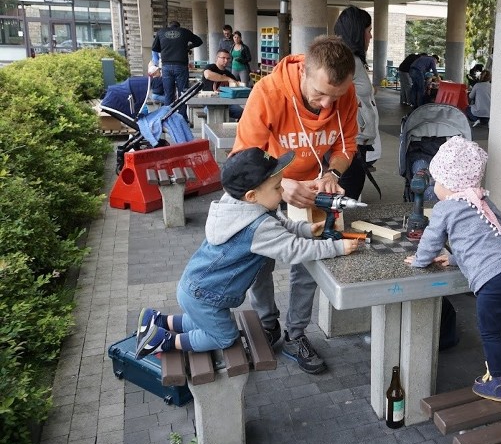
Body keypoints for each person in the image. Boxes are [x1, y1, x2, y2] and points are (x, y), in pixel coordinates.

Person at [134, 148, 359, 360]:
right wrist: (336, 248)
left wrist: (305, 229)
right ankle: (164, 341)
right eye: (277, 187)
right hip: (206, 296)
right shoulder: (256, 225)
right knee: (223, 336)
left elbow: (280, 226)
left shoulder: (236, 205)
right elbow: (294, 250)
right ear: (252, 195)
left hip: (196, 288)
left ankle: (160, 320)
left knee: (207, 321)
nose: (283, 192)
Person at [231, 35, 358, 374]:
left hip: (315, 186)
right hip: (270, 184)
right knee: (260, 261)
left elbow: (347, 147)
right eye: (320, 94)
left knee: (309, 258)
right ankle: (266, 323)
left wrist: (332, 172)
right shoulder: (268, 93)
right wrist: (280, 182)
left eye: (337, 95)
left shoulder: (345, 94)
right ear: (304, 71)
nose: (328, 105)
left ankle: (295, 335)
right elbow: (244, 158)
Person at [405, 136, 501, 403]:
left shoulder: (446, 208)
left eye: (437, 183)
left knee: (491, 333)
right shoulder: (485, 203)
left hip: (494, 283)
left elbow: (431, 241)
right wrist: (455, 259)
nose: (435, 189)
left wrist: (420, 261)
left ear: (449, 183)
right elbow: (490, 238)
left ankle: (500, 382)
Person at [333, 6, 380, 199]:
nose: (370, 36)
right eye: (368, 31)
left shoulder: (352, 60)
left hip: (353, 141)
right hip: (348, 143)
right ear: (357, 31)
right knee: (344, 201)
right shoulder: (346, 60)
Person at [151, 20, 203, 116]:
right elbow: (199, 41)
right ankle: (182, 117)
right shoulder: (185, 32)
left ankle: (168, 117)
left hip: (166, 66)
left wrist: (164, 48)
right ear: (179, 27)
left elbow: (154, 48)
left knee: (168, 94)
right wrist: (188, 47)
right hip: (181, 66)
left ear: (169, 26)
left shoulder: (161, 32)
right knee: (183, 93)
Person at [203, 49, 244, 120]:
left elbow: (238, 86)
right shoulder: (210, 67)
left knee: (245, 113)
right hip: (210, 104)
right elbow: (208, 75)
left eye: (228, 58)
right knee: (216, 115)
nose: (226, 60)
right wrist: (227, 79)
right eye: (223, 58)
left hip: (227, 104)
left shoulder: (229, 74)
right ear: (217, 58)